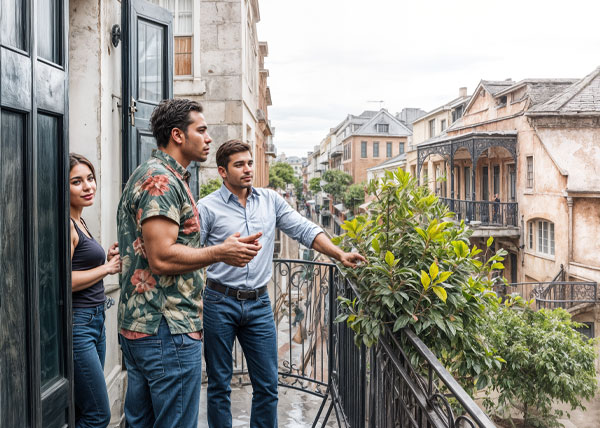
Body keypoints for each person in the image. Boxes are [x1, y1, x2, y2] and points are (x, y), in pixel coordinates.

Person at [197, 140, 366, 428]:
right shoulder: (206, 208)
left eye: (250, 162)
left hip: (259, 303)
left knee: (267, 385)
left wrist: (338, 253)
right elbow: (189, 253)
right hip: (219, 301)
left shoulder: (270, 200)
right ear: (222, 172)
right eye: (239, 165)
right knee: (219, 386)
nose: (248, 169)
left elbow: (303, 228)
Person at [116, 99, 262, 428]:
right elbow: (162, 256)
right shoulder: (162, 182)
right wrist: (221, 252)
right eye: (202, 130)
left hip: (146, 328)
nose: (209, 138)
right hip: (167, 330)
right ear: (178, 135)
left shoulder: (159, 175)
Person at [69, 153, 121, 428]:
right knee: (98, 414)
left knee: (83, 407)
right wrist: (107, 268)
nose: (88, 186)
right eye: (77, 181)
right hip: (80, 324)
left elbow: (83, 263)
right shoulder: (68, 224)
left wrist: (105, 257)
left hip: (95, 322)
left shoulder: (81, 221)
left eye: (90, 178)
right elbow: (65, 280)